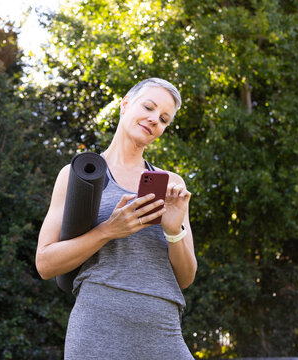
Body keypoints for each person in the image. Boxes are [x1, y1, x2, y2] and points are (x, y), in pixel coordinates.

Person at [36, 78, 196, 359]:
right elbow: (45, 264)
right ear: (125, 105)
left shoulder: (172, 184)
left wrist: (173, 230)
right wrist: (108, 230)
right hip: (97, 327)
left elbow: (186, 277)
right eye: (148, 106)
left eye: (164, 119)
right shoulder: (78, 175)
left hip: (162, 328)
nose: (154, 120)